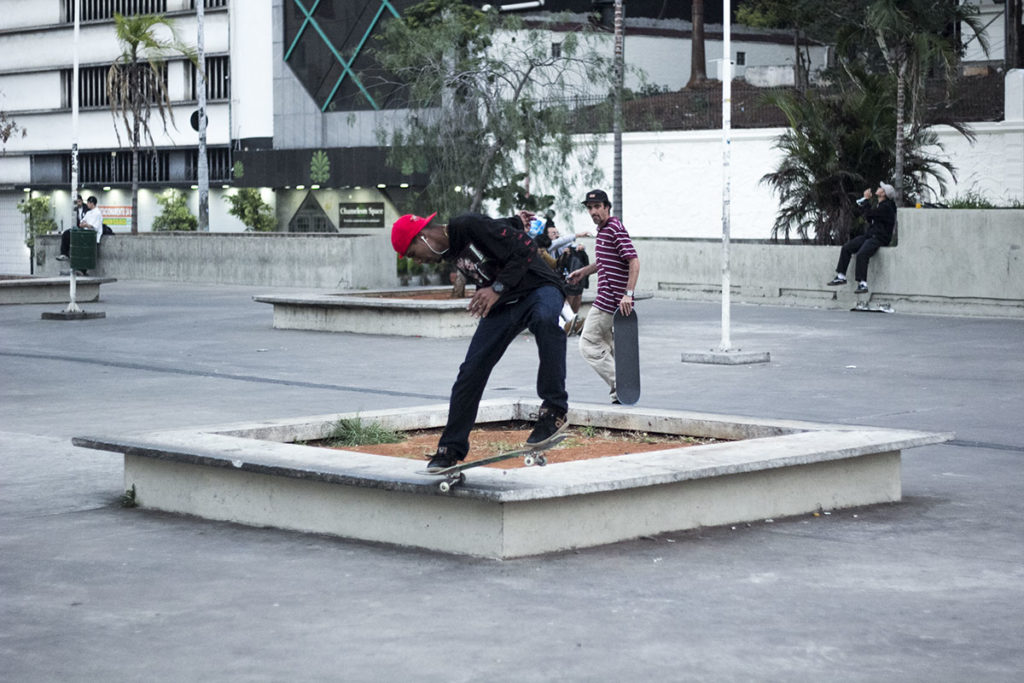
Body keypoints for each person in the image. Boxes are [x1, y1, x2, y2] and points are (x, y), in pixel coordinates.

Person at [391, 209, 570, 472]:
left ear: (422, 237)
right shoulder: (451, 249)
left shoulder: (466, 225)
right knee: (471, 370)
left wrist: (496, 289)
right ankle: (450, 448)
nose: (418, 261)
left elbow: (526, 247)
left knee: (545, 320)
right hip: (504, 304)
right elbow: (496, 230)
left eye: (413, 254)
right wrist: (514, 222)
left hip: (538, 288)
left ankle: (554, 411)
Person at [567, 189, 639, 404]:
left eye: (597, 206)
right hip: (611, 301)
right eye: (590, 208)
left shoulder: (614, 228)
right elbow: (605, 261)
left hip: (610, 301)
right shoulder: (604, 230)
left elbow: (633, 261)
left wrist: (628, 295)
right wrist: (583, 272)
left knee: (588, 344)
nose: (593, 211)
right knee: (607, 347)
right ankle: (621, 394)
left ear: (607, 207)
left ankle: (620, 384)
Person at [827, 183, 898, 294]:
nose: (878, 188)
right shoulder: (881, 205)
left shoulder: (887, 206)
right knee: (847, 247)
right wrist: (865, 203)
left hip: (879, 238)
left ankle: (863, 284)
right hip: (870, 235)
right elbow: (871, 218)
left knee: (862, 254)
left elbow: (870, 214)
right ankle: (841, 276)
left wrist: (866, 199)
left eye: (880, 188)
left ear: (883, 193)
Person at [58, 195, 103, 263]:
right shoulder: (87, 212)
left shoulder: (96, 212)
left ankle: (81, 269)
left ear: (91, 203)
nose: (78, 203)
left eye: (79, 201)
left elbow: (94, 226)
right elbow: (82, 222)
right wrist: (84, 224)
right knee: (66, 234)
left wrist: (86, 225)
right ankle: (64, 253)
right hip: (82, 230)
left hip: (90, 233)